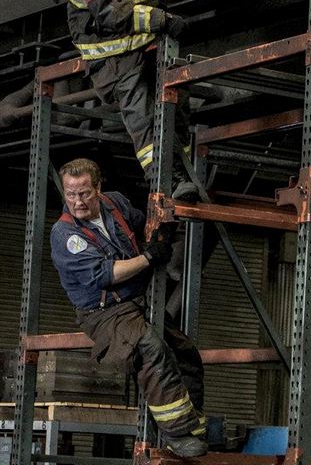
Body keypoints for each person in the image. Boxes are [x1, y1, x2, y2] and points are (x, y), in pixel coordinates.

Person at [50, 158, 207, 458]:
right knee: (150, 347)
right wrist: (149, 257)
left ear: (98, 187)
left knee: (185, 351)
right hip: (104, 312)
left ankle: (195, 426)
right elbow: (104, 275)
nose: (77, 202)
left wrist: (163, 230)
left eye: (84, 193)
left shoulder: (115, 204)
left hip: (138, 300)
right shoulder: (65, 235)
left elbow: (141, 225)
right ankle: (177, 434)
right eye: (70, 194)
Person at [63, 0, 196, 200]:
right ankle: (167, 182)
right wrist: (159, 20)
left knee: (178, 104)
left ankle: (186, 174)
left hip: (142, 39)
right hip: (112, 50)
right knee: (143, 114)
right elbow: (107, 12)